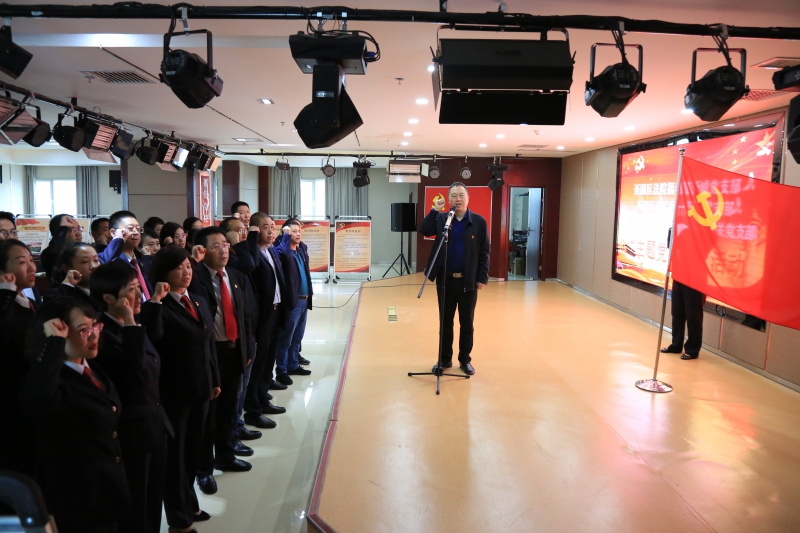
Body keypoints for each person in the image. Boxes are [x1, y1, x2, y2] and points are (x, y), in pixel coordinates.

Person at [20, 297, 130, 533]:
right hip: (79, 501)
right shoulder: (51, 381)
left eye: (95, 326)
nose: (94, 335)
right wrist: (54, 344)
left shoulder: (92, 368)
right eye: (83, 330)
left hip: (108, 493)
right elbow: (39, 401)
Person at [90, 261, 174, 533]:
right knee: (136, 504)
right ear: (109, 298)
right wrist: (129, 322)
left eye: (139, 288)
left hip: (154, 425)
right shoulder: (103, 334)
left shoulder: (132, 325)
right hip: (131, 433)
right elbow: (132, 369)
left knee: (153, 498)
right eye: (131, 290)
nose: (139, 295)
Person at [143, 246, 218, 531]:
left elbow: (208, 344)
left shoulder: (197, 299)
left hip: (201, 389)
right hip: (175, 394)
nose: (187, 272)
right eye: (179, 267)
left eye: (188, 266)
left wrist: (215, 379)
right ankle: (179, 520)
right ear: (164, 273)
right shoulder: (158, 307)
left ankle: (189, 503)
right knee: (175, 459)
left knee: (192, 453)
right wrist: (155, 302)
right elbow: (152, 338)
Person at [189, 226, 255, 477]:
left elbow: (244, 316)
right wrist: (193, 263)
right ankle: (204, 468)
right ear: (203, 251)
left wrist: (247, 348)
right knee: (209, 414)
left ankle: (226, 456)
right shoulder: (196, 277)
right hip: (211, 354)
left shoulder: (236, 276)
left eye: (225, 245)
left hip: (235, 350)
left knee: (229, 408)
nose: (223, 250)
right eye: (216, 246)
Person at [418, 182, 490, 376]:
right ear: (448, 199)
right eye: (453, 196)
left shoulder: (478, 222)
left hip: (468, 282)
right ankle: (444, 359)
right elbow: (423, 229)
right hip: (445, 280)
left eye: (461, 195)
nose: (457, 199)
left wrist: (482, 277)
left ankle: (465, 360)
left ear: (468, 198)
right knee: (445, 322)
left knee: (467, 323)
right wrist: (435, 210)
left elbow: (484, 252)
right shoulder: (443, 219)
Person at [243, 213, 287, 428]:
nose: (271, 231)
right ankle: (253, 410)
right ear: (254, 230)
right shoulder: (252, 254)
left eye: (272, 226)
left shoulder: (270, 250)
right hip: (261, 315)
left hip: (275, 311)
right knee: (258, 363)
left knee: (268, 360)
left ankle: (262, 399)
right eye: (265, 227)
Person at [0, 239, 39, 479]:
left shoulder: (29, 303)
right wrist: (4, 293)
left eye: (31, 260)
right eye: (22, 262)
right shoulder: (5, 306)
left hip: (31, 402)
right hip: (10, 407)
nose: (32, 268)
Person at [273, 219, 313, 385]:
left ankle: (293, 365)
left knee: (297, 337)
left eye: (299, 231)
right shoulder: (284, 252)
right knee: (286, 339)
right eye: (294, 231)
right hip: (292, 302)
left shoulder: (301, 250)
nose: (298, 234)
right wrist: (285, 235)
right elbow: (281, 251)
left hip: (304, 299)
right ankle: (281, 370)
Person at [661, 228, 705, 360]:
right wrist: (672, 230)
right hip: (679, 275)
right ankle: (676, 344)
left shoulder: (702, 230)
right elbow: (671, 246)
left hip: (695, 278)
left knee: (693, 315)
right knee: (677, 313)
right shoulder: (681, 229)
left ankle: (692, 349)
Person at [98, 210, 153, 302]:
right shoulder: (110, 260)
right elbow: (105, 261)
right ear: (113, 232)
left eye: (138, 229)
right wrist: (117, 239)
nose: (136, 232)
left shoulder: (140, 262)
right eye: (130, 229)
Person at [44, 243, 102, 312]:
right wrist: (67, 284)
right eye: (85, 261)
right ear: (66, 268)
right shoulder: (59, 294)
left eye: (96, 260)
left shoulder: (103, 290)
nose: (94, 266)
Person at [41, 214, 82, 280]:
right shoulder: (48, 253)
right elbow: (54, 252)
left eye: (78, 228)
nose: (78, 233)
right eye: (72, 230)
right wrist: (63, 227)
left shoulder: (83, 250)